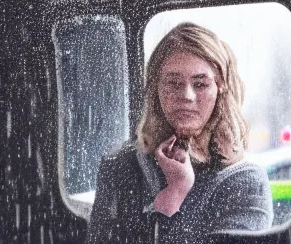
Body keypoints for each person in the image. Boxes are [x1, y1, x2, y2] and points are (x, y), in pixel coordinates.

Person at [86, 22, 274, 243]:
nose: (187, 96)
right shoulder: (121, 166)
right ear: (156, 87)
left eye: (200, 84)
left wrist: (173, 197)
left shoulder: (244, 182)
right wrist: (171, 196)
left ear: (220, 88)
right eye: (173, 83)